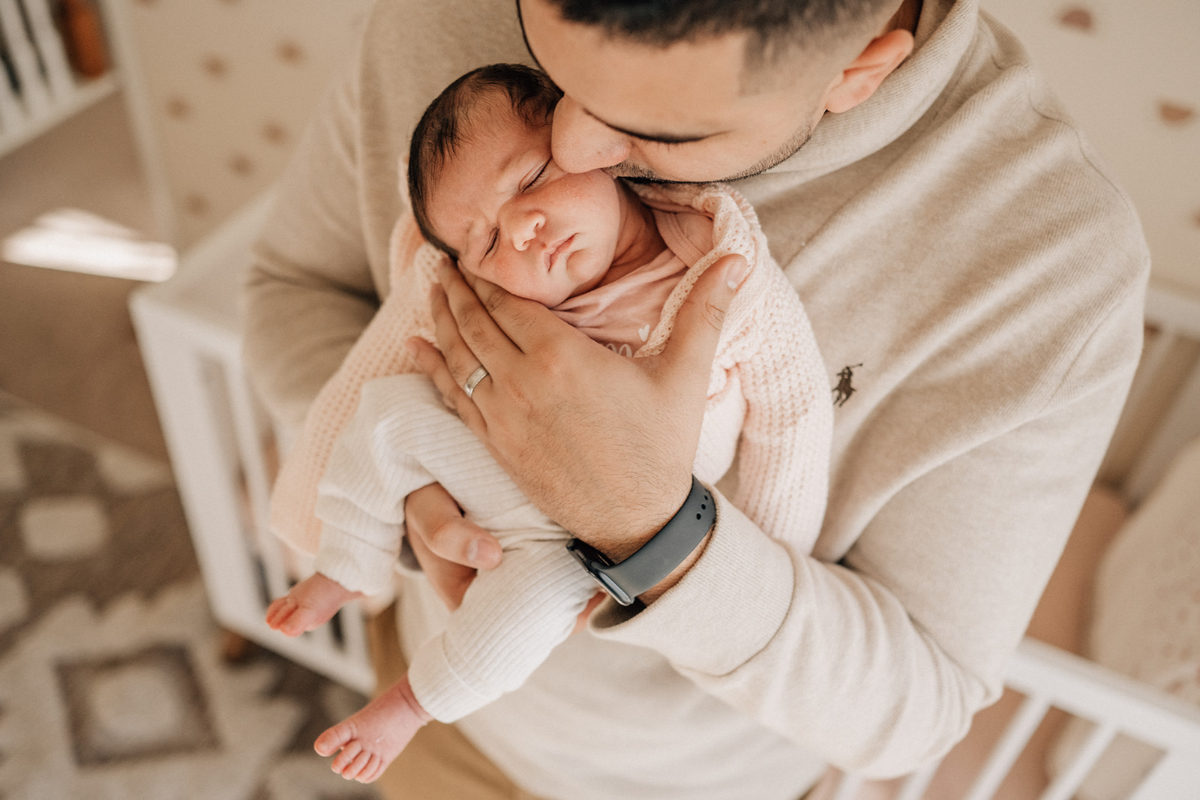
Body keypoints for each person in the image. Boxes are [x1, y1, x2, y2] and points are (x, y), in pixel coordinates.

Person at [243, 1, 1150, 798]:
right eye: (548, 66)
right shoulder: (432, 16)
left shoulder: (1053, 266)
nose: (571, 145)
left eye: (661, 131)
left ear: (857, 67)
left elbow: (922, 704)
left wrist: (652, 528)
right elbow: (295, 286)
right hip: (446, 727)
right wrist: (415, 505)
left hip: (697, 783)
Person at [263, 62, 831, 784]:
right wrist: (318, 505)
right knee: (385, 413)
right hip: (483, 467)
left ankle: (411, 702)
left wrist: (777, 552)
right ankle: (344, 565)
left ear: (599, 147)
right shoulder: (463, 288)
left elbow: (794, 417)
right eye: (488, 242)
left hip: (580, 533)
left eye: (528, 181)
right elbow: (367, 376)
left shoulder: (724, 274)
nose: (523, 231)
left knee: (529, 605)